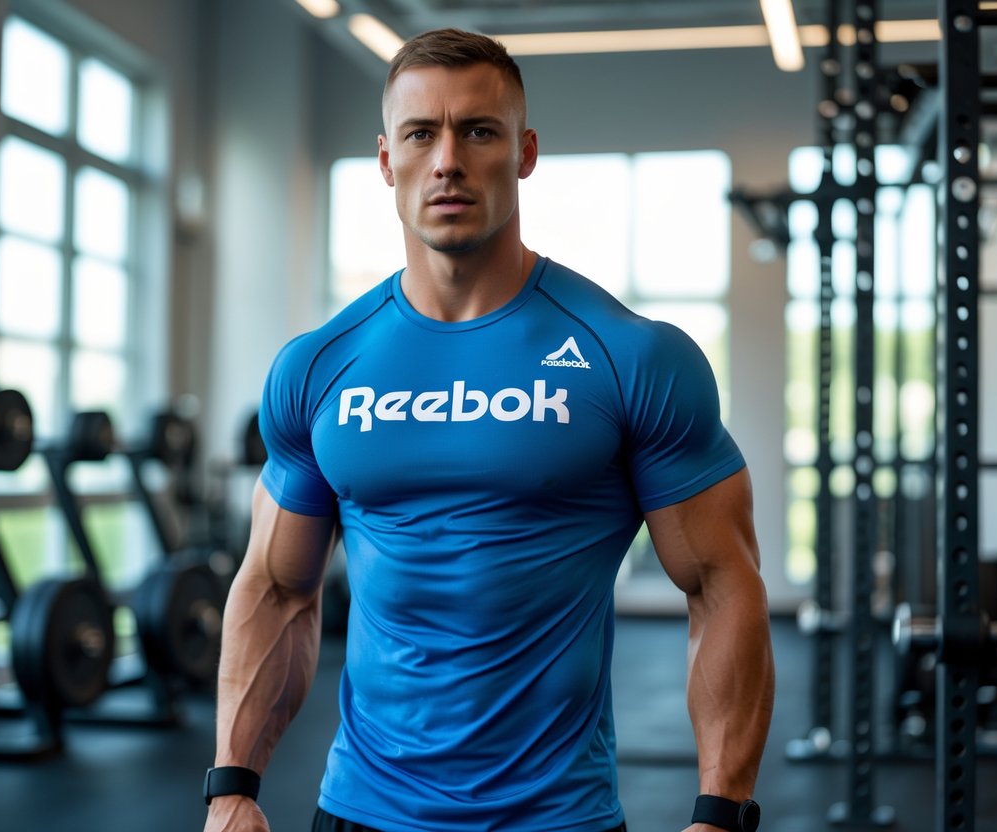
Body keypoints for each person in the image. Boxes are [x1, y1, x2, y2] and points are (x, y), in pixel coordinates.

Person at [202, 27, 774, 832]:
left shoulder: (630, 356)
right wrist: (233, 786)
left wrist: (720, 811)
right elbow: (276, 587)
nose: (447, 160)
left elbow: (721, 584)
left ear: (524, 152)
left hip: (558, 818)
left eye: (476, 131)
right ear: (385, 161)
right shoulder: (318, 367)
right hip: (360, 810)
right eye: (419, 134)